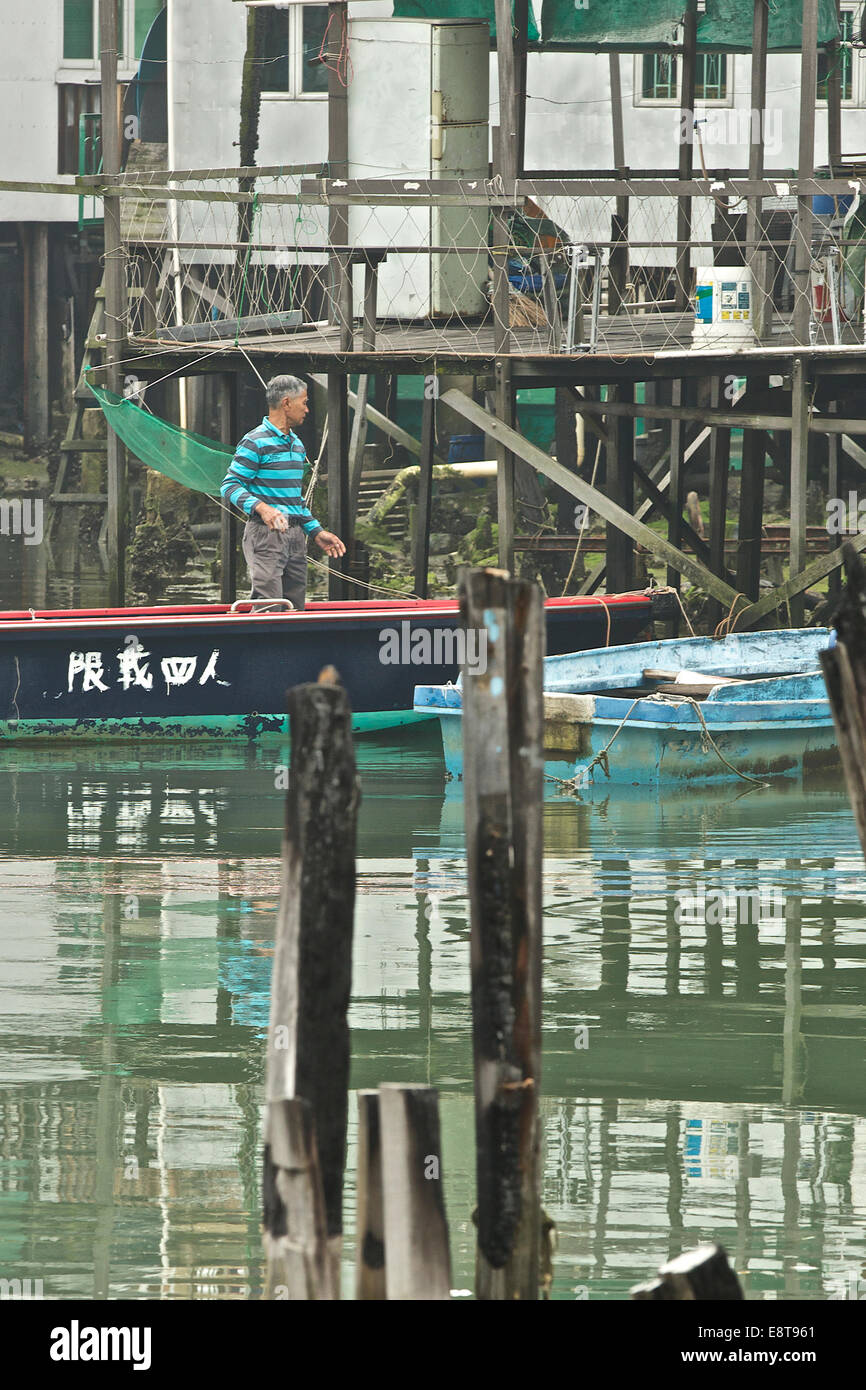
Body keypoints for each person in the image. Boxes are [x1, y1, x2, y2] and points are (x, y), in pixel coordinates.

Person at [220, 374, 345, 610]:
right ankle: (262, 646)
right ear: (287, 403)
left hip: (296, 535)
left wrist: (316, 532)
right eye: (304, 402)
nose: (307, 409)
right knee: (270, 605)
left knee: (295, 606)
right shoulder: (255, 441)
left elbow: (294, 500)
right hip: (265, 534)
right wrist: (262, 508)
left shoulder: (297, 445)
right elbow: (230, 485)